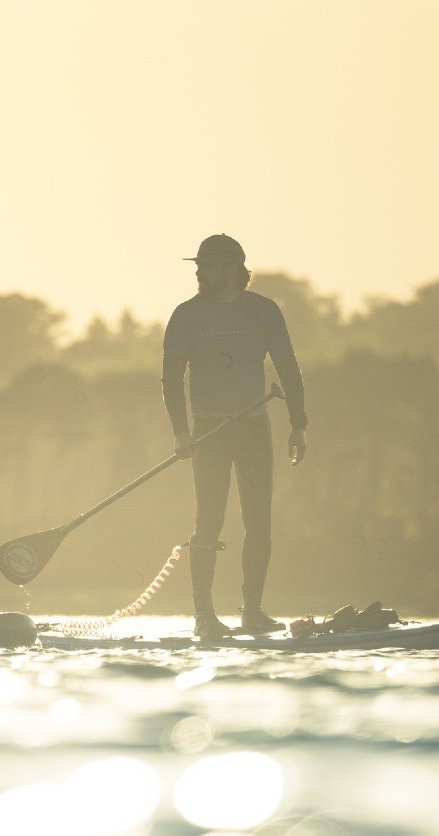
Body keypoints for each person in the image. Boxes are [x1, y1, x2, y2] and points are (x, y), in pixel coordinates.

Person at [162, 234, 307, 638]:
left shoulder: (264, 312)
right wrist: (181, 432)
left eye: (206, 266)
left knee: (259, 522)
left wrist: (299, 423)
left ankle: (253, 612)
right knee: (208, 521)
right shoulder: (186, 316)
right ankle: (204, 617)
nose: (199, 272)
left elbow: (288, 368)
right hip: (208, 430)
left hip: (254, 427)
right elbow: (171, 380)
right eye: (199, 266)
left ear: (231, 270)